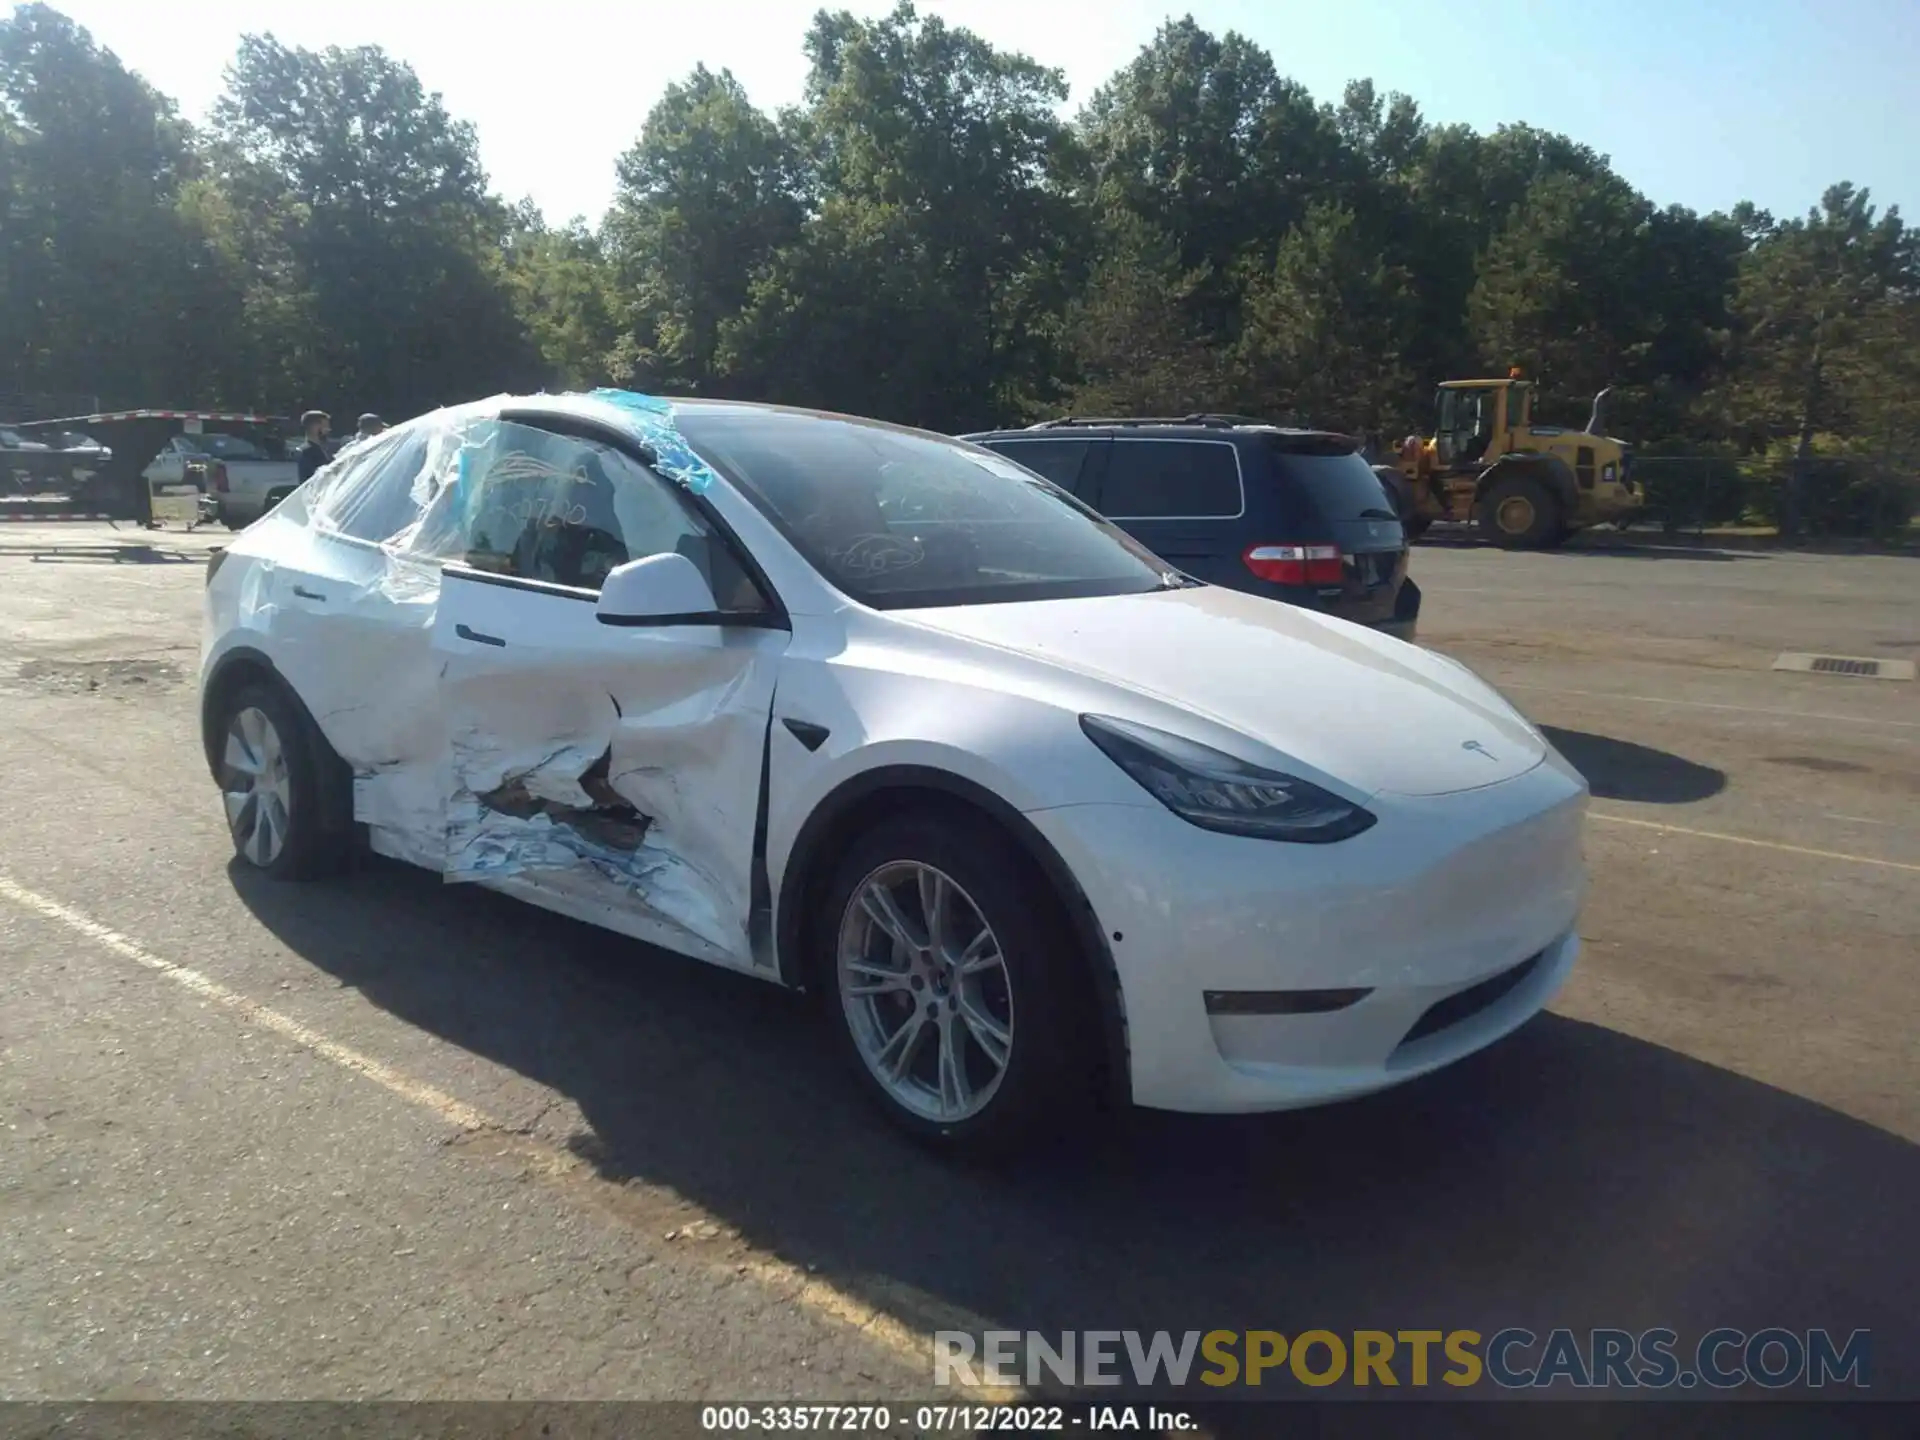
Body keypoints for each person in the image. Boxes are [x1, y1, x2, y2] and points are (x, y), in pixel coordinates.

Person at [296, 410, 332, 482]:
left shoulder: (324, 449)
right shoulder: (305, 452)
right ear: (315, 427)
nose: (328, 430)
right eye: (325, 426)